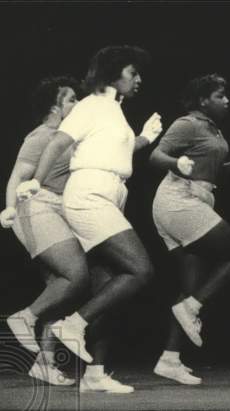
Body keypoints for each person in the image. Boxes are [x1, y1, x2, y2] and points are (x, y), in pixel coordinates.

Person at [25, 45, 163, 393]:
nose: (139, 80)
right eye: (133, 73)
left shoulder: (113, 110)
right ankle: (72, 325)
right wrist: (37, 181)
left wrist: (146, 137)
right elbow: (58, 141)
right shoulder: (90, 106)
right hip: (90, 194)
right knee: (140, 269)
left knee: (109, 284)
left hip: (111, 193)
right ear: (113, 74)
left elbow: (115, 150)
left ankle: (96, 373)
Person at [148, 74, 230, 385]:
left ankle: (169, 359)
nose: (226, 100)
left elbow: (211, 174)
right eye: (219, 95)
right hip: (179, 200)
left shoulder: (212, 128)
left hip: (195, 197)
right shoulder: (187, 123)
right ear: (203, 100)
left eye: (226, 96)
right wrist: (175, 164)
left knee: (191, 283)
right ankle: (193, 307)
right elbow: (156, 155)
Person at [3, 76, 86, 386]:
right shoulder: (40, 137)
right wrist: (9, 207)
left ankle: (44, 361)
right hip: (36, 208)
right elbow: (16, 177)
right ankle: (24, 316)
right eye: (71, 100)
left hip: (58, 210)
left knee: (60, 288)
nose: (77, 104)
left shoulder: (67, 136)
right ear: (55, 107)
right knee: (76, 276)